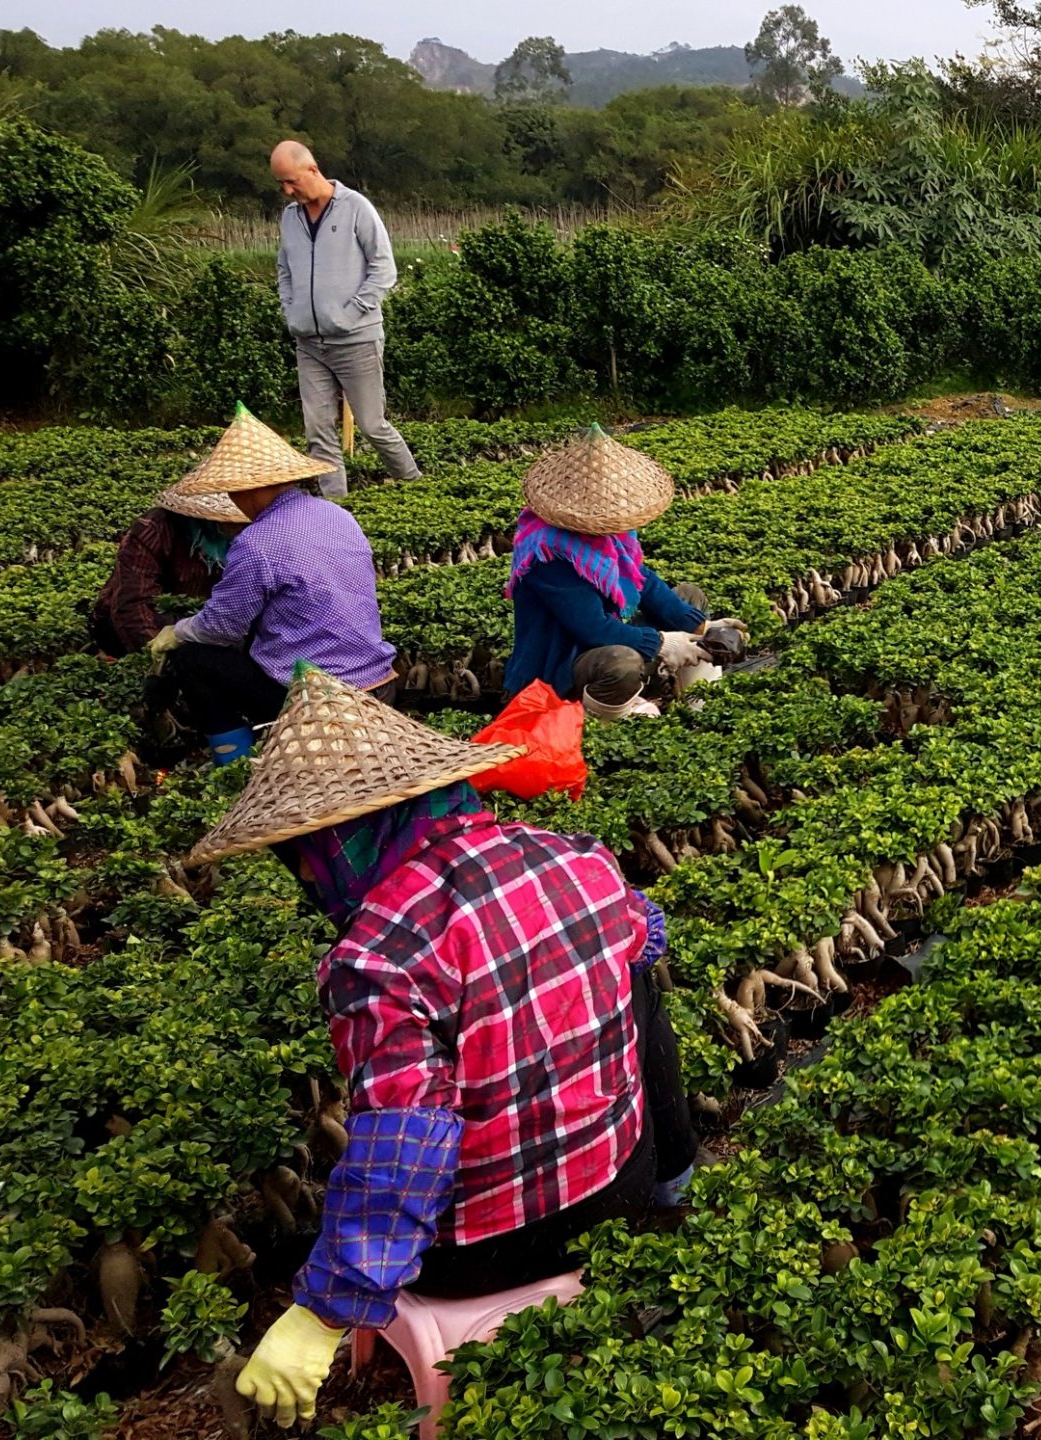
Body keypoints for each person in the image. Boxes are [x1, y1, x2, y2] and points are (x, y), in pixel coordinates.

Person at [193, 669, 696, 1429]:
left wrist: (322, 1315)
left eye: (300, 855)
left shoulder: (378, 956)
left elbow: (406, 1143)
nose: (303, 876)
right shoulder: (580, 858)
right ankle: (678, 1182)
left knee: (390, 1139)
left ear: (335, 841)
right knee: (635, 977)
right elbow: (638, 948)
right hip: (620, 1183)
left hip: (491, 1247)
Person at [145, 406, 397, 763]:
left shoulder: (257, 543)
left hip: (314, 697)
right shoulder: (337, 514)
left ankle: (234, 764)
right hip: (377, 682)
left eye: (232, 492)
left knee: (193, 658)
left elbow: (221, 627)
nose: (231, 502)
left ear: (250, 489)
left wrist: (179, 630)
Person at [501, 425, 724, 718]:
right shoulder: (547, 554)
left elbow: (644, 583)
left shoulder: (610, 539)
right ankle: (605, 726)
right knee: (623, 663)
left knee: (689, 598)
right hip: (560, 665)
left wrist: (702, 628)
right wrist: (662, 642)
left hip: (603, 640)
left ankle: (699, 709)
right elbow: (593, 628)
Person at [272, 139, 420, 498]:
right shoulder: (290, 218)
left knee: (372, 424)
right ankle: (337, 512)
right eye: (281, 184)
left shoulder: (356, 208)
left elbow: (384, 268)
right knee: (318, 431)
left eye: (291, 181)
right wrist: (291, 309)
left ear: (312, 169)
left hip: (356, 341)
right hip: (309, 343)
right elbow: (284, 268)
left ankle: (416, 485)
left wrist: (350, 313)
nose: (287, 191)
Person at [88, 484, 248, 656]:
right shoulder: (156, 528)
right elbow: (132, 604)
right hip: (144, 619)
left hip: (200, 619)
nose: (241, 527)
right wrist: (157, 655)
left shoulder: (252, 536)